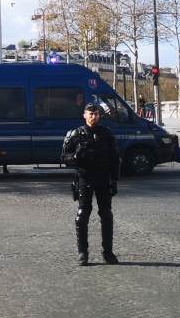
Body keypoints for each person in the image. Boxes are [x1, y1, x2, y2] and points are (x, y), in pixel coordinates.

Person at [62, 103, 121, 266]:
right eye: (90, 114)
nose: (94, 116)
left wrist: (114, 180)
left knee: (107, 215)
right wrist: (75, 157)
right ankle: (83, 253)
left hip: (103, 177)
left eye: (96, 114)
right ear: (84, 115)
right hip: (84, 177)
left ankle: (108, 252)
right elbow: (64, 157)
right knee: (82, 215)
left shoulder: (106, 134)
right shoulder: (75, 134)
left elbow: (115, 158)